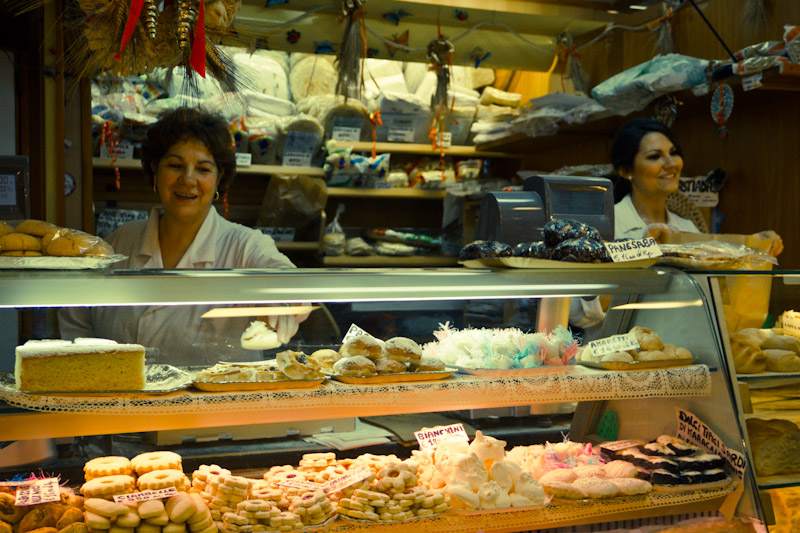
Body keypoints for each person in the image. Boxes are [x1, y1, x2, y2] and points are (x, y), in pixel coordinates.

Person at [59, 107, 306, 364]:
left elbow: (290, 284)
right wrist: (86, 371)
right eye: (175, 165)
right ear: (155, 170)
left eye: (203, 169)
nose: (188, 180)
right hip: (122, 398)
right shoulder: (122, 240)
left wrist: (283, 305)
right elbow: (76, 315)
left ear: (219, 178)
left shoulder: (245, 246)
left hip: (217, 402)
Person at [570, 117, 783, 333]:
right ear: (626, 171)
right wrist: (641, 252)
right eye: (655, 156)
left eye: (674, 153)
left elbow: (713, 295)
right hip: (613, 355)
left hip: (681, 351)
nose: (671, 163)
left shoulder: (687, 228)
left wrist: (756, 247)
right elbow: (580, 313)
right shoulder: (604, 227)